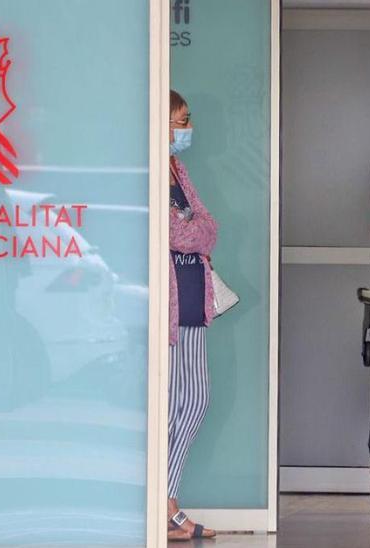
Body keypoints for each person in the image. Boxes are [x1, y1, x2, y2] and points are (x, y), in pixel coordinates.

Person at [165, 90, 219, 541]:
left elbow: (207, 228)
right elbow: (175, 232)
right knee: (169, 404)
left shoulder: (178, 171)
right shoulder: (151, 171)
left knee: (194, 400)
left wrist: (193, 232)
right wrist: (193, 232)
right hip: (167, 304)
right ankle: (165, 505)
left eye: (186, 119)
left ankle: (164, 498)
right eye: (180, 121)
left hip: (193, 299)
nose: (187, 128)